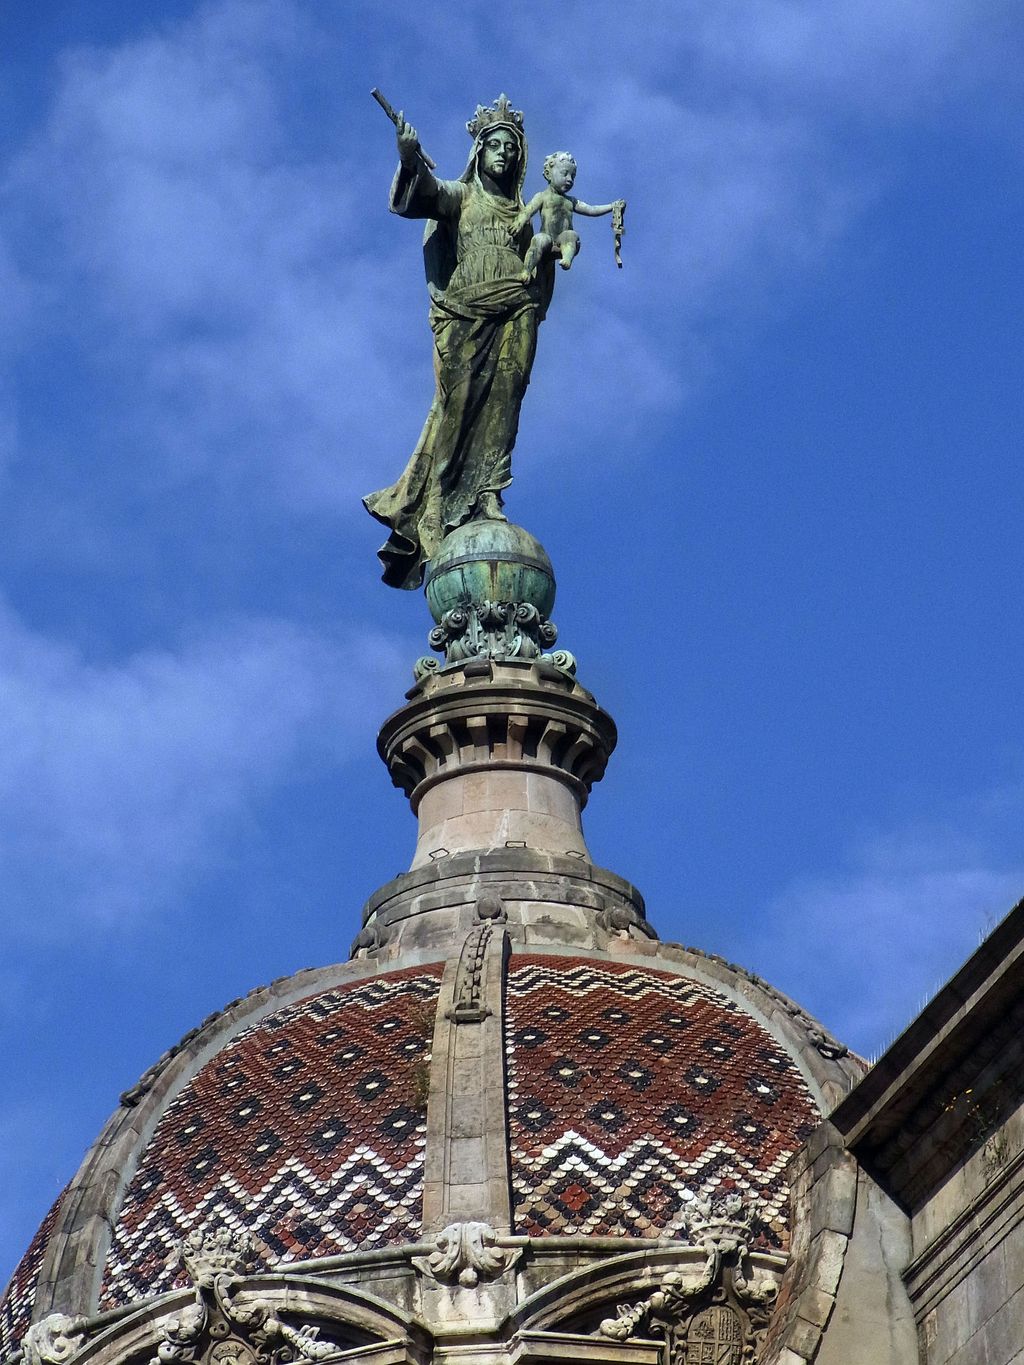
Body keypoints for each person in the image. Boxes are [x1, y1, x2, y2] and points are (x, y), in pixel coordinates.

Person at [363, 96, 551, 590]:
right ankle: (439, 498)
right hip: (467, 311)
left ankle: (489, 493)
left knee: (505, 405)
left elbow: (544, 256)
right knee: (460, 407)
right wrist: (408, 157)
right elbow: (417, 197)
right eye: (496, 145)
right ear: (479, 151)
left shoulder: (524, 212)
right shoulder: (462, 198)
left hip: (517, 309)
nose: (504, 154)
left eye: (512, 148)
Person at [515, 152, 625, 280]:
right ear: (548, 174)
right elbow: (529, 210)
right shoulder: (542, 196)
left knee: (571, 235)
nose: (569, 179)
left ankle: (567, 258)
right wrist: (520, 221)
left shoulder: (571, 201)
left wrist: (612, 206)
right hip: (547, 238)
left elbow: (592, 209)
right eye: (564, 174)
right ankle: (526, 270)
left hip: (563, 240)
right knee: (538, 240)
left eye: (573, 176)